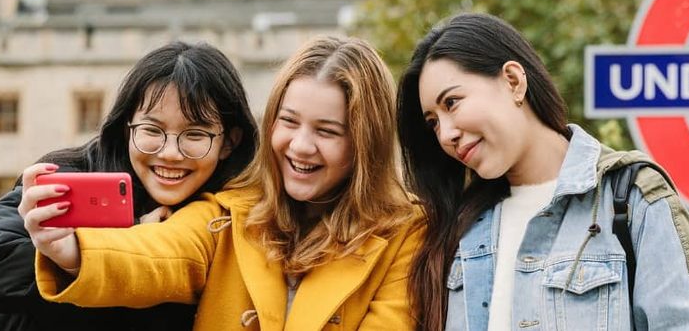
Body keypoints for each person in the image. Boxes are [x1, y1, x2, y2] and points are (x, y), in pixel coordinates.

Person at [26, 35, 424, 330]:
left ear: (364, 142)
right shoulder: (231, 208)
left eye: (327, 131)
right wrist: (73, 250)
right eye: (288, 122)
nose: (300, 146)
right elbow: (163, 252)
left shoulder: (407, 232)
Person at [396, 13, 689, 331]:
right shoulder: (456, 227)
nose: (445, 134)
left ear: (513, 81)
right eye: (433, 122)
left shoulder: (631, 198)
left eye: (451, 103)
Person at [0, 41, 259, 331]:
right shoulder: (75, 175)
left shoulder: (227, 217)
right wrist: (126, 233)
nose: (169, 153)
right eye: (152, 130)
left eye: (195, 135)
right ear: (126, 128)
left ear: (229, 142)